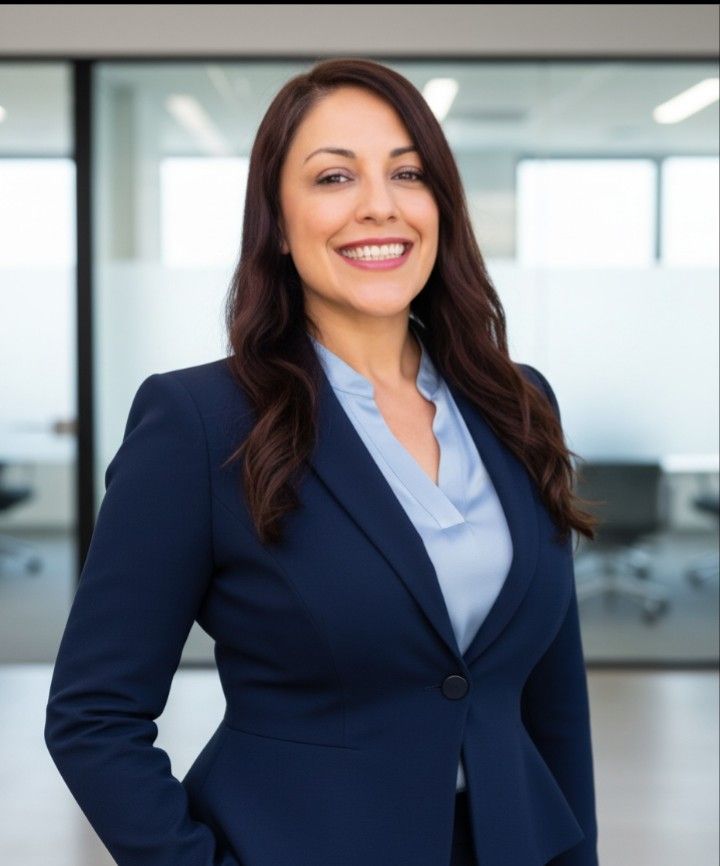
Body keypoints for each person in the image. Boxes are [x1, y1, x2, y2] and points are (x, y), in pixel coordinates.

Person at [44, 57, 600, 866]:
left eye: (408, 173)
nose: (380, 205)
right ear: (276, 216)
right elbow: (93, 715)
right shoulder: (199, 422)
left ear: (440, 203)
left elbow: (553, 704)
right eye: (334, 176)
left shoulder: (518, 403)